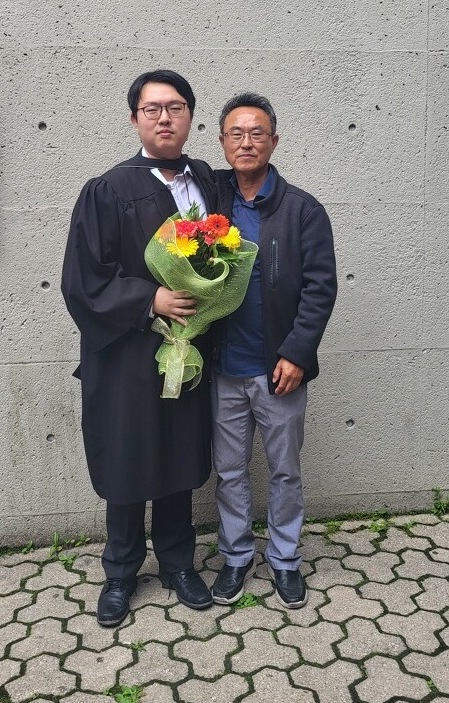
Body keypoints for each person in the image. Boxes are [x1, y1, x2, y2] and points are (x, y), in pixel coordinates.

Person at [61, 70, 216, 627]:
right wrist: (150, 298)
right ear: (135, 119)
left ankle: (178, 563)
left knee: (176, 452)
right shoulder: (107, 189)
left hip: (187, 348)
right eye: (152, 109)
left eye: (175, 107)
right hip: (126, 354)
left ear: (190, 116)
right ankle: (121, 572)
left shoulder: (205, 181)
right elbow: (83, 279)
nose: (164, 118)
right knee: (128, 457)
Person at [210, 93, 337, 608]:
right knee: (230, 471)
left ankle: (285, 559)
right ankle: (236, 555)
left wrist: (297, 354)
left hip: (279, 370)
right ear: (222, 142)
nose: (246, 142)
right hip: (224, 368)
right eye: (236, 133)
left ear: (274, 141)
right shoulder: (210, 202)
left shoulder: (303, 209)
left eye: (257, 133)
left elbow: (320, 288)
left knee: (285, 471)